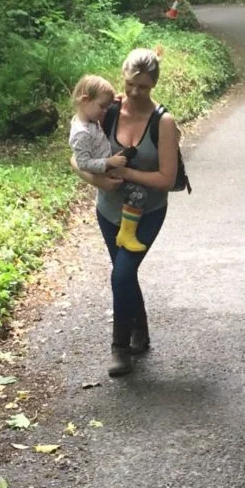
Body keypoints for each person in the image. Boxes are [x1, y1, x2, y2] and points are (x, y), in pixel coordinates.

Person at [71, 48, 181, 377]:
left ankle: (120, 348)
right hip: (108, 210)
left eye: (143, 87)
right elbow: (75, 158)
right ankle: (140, 332)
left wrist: (125, 174)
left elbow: (166, 178)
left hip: (148, 212)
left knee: (120, 274)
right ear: (123, 77)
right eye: (131, 84)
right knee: (125, 274)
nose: (135, 92)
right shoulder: (108, 109)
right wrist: (99, 181)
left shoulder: (163, 121)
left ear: (154, 85)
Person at [67, 74, 148, 253]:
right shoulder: (81, 133)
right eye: (102, 107)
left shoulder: (89, 119)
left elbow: (100, 105)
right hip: (107, 172)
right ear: (86, 100)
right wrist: (108, 163)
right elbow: (83, 162)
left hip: (110, 163)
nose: (105, 111)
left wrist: (116, 99)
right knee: (139, 194)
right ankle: (127, 232)